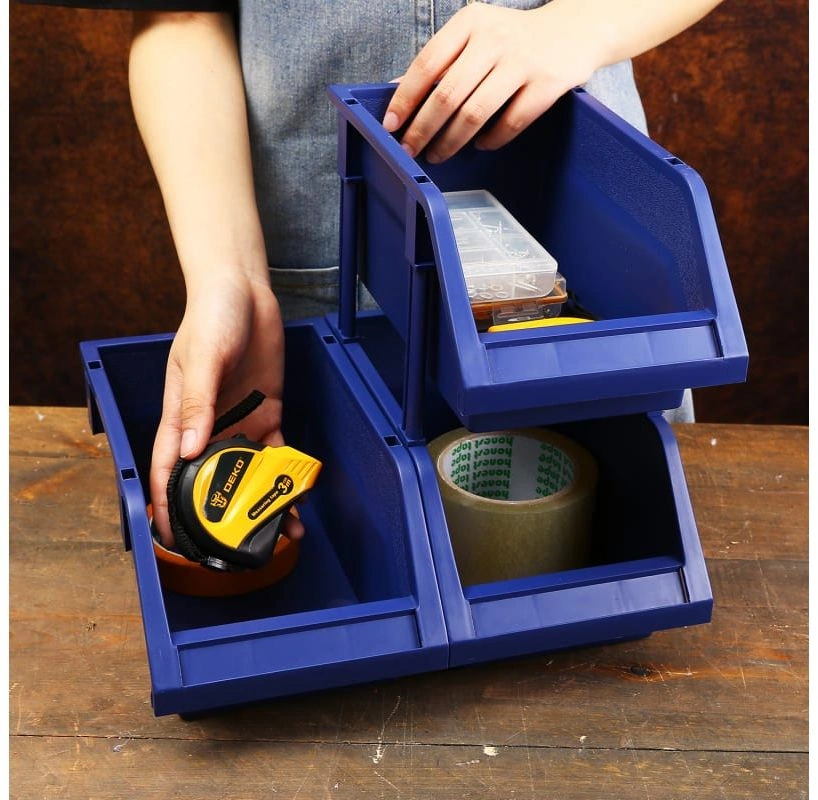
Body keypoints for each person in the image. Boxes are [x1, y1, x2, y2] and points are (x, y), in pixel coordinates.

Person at [28, 0, 723, 546]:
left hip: (578, 248)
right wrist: (227, 278)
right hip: (311, 274)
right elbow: (179, 14)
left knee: (610, 535)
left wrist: (577, 24)